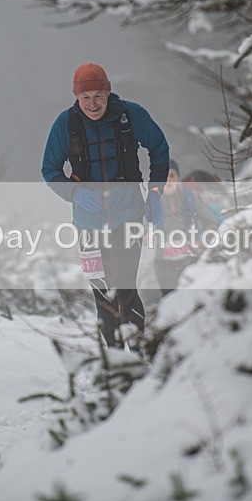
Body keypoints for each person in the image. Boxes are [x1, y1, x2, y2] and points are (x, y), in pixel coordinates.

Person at [42, 63, 170, 351]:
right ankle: (114, 359)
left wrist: (155, 192)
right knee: (101, 293)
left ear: (108, 91)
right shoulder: (66, 124)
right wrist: (74, 192)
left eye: (98, 95)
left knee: (124, 287)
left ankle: (137, 353)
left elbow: (159, 149)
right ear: (76, 97)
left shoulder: (131, 115)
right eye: (85, 97)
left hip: (128, 215)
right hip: (88, 223)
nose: (92, 104)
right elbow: (50, 170)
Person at [153, 160, 223, 296]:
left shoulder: (190, 196)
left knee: (191, 300)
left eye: (171, 176)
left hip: (190, 261)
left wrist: (203, 239)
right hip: (164, 265)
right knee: (169, 303)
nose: (168, 180)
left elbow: (211, 222)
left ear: (178, 178)